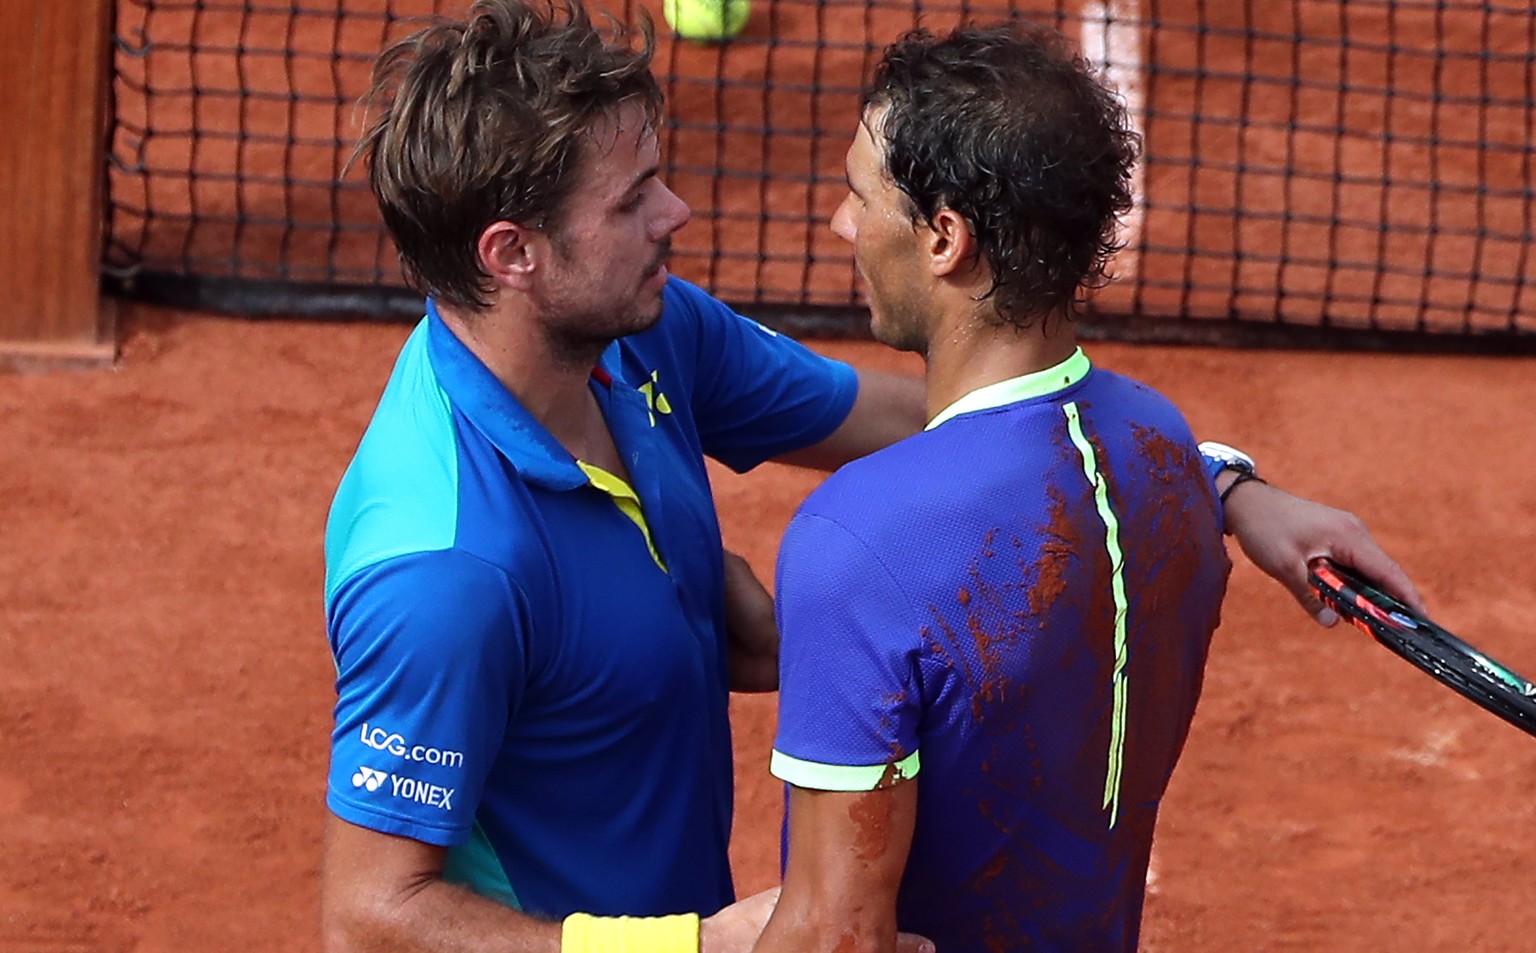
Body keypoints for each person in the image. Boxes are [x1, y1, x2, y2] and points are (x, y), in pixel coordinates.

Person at [320, 2, 1420, 952]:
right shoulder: (443, 565)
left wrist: (1214, 482)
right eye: (633, 199)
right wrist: (692, 941)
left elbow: (953, 418)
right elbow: (373, 914)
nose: (678, 216)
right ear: (513, 253)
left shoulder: (645, 338)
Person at [752, 23, 1250, 953]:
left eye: (861, 195)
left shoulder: (859, 540)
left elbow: (836, 936)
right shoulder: (1166, 451)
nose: (841, 224)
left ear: (945, 238)